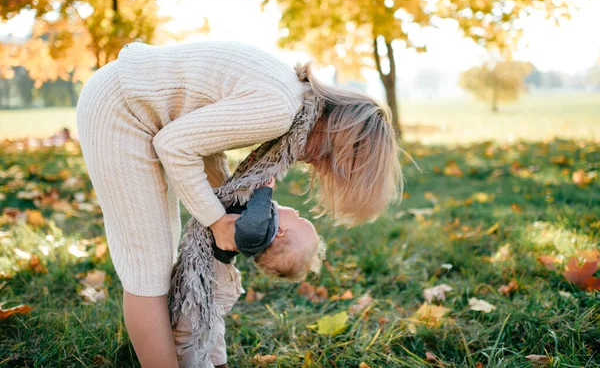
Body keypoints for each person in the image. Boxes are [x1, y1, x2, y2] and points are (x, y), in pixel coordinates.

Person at [76, 41, 402, 368]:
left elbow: (202, 140)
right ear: (337, 139)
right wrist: (217, 222)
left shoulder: (294, 99)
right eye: (328, 163)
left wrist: (224, 203)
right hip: (120, 108)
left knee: (161, 252)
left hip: (137, 101)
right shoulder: (278, 110)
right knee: (148, 266)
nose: (315, 165)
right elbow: (174, 146)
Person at [173, 180, 326, 368]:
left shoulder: (257, 232)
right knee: (211, 324)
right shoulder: (262, 223)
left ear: (280, 231)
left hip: (214, 279)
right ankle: (219, 363)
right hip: (215, 275)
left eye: (299, 218)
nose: (297, 212)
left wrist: (265, 190)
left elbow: (251, 226)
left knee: (187, 331)